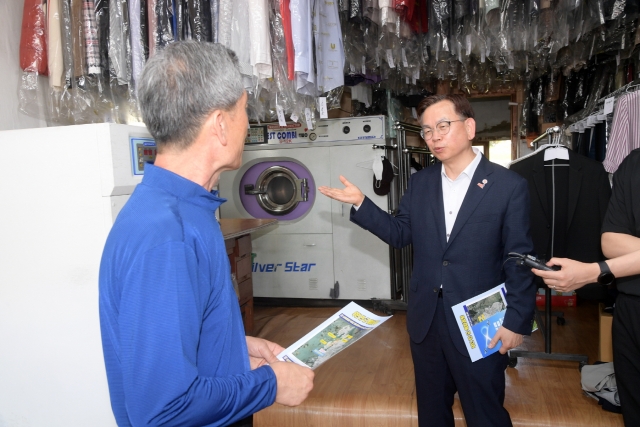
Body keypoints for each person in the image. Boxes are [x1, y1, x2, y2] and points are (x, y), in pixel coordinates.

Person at [99, 41, 314, 427]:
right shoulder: (166, 237)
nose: (248, 123)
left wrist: (234, 348)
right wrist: (271, 384)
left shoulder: (184, 211)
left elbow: (177, 340)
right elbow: (163, 409)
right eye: (244, 110)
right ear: (220, 123)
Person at [318, 94, 536, 427]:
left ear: (470, 127)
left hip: (479, 323)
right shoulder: (421, 182)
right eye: (427, 130)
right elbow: (401, 233)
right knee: (432, 414)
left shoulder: (508, 186)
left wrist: (517, 321)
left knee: (485, 412)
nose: (434, 137)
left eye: (443, 126)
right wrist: (363, 203)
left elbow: (518, 259)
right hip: (427, 320)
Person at [532, 148, 640, 426]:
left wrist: (597, 271)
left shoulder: (594, 172)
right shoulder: (634, 162)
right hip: (631, 309)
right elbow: (610, 242)